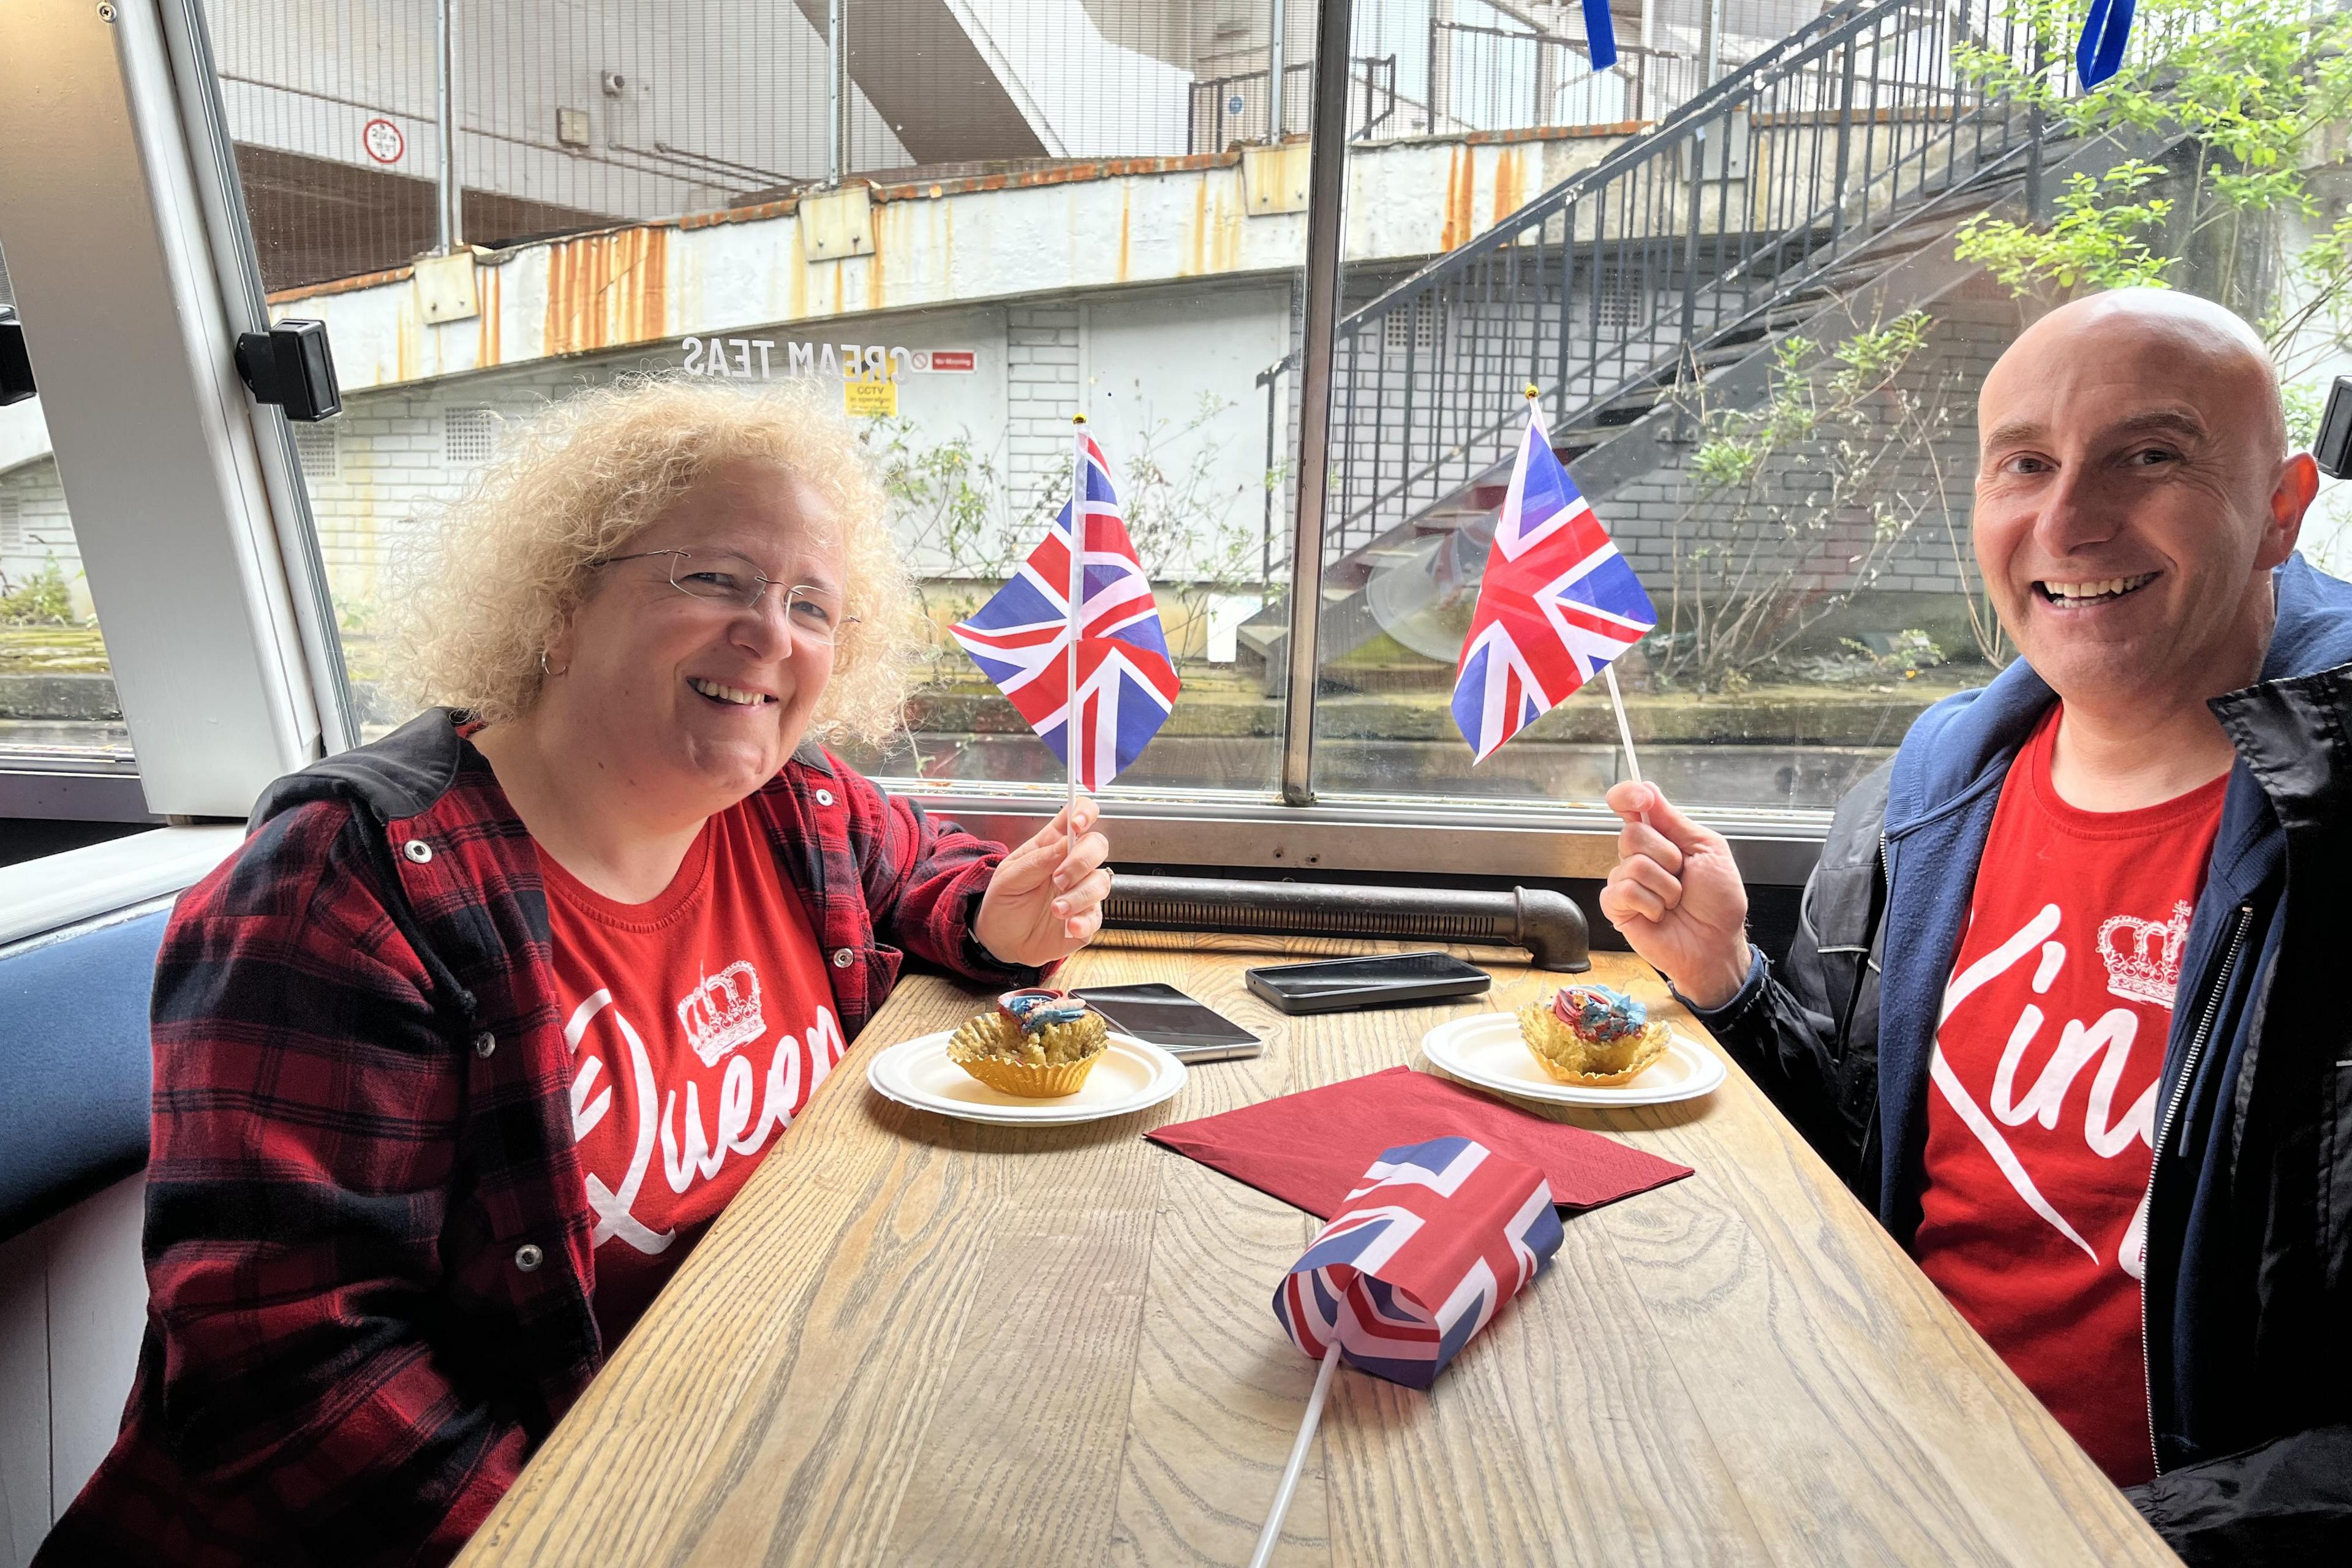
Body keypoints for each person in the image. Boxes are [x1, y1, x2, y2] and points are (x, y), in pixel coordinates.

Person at [38, 379, 1114, 1567]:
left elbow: (923, 871)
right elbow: (295, 1367)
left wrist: (994, 918)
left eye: (813, 602)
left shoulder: (795, 809)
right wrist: (605, 1534)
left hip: (711, 1449)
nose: (771, 630)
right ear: (561, 605)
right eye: (713, 577)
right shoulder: (344, 886)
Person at [1599, 289, 2350, 1563]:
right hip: (1873, 1467)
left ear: (2281, 508)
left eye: (2149, 456)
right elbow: (1871, 1167)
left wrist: (2067, 1536)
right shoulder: (1932, 785)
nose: (2069, 520)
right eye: (2027, 463)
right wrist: (1728, 982)